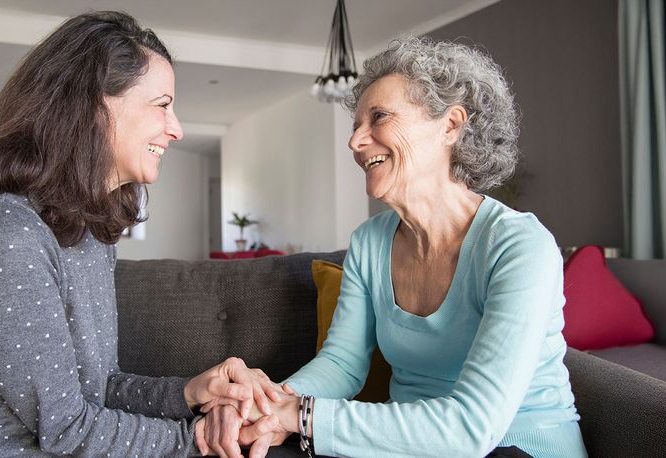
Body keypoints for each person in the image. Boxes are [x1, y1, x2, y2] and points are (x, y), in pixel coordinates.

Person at [0, 11, 277, 457]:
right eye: (162, 104)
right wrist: (198, 439)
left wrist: (190, 394)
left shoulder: (88, 233)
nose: (176, 128)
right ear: (94, 106)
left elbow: (98, 389)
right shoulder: (5, 233)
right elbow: (67, 429)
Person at [201, 36, 587, 458]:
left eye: (379, 117)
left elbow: (472, 429)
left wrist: (302, 416)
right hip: (403, 445)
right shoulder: (369, 241)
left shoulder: (518, 246)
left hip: (518, 446)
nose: (355, 142)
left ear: (451, 126)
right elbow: (342, 364)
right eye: (355, 126)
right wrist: (271, 404)